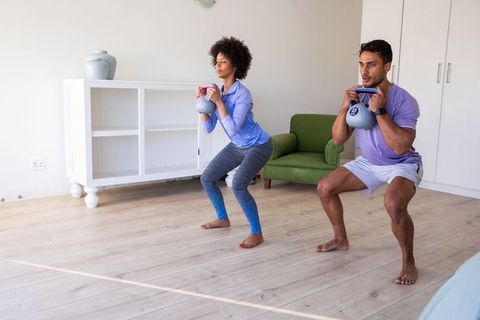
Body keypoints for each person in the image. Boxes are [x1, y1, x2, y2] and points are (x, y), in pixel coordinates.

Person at [316, 39, 423, 285]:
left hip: (401, 163)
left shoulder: (404, 100)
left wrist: (379, 111)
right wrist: (344, 108)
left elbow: (400, 145)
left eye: (371, 65)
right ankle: (340, 239)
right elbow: (338, 139)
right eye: (361, 64)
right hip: (369, 162)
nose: (364, 72)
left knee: (394, 203)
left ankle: (409, 262)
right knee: (325, 187)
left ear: (387, 66)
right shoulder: (359, 95)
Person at [197, 36, 272, 249]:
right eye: (216, 61)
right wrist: (202, 106)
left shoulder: (243, 94)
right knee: (208, 178)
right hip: (238, 146)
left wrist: (218, 103)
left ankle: (256, 233)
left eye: (223, 61)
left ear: (235, 65)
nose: (217, 66)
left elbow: (232, 128)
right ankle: (223, 218)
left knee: (238, 184)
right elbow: (209, 127)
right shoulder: (218, 93)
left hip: (259, 145)